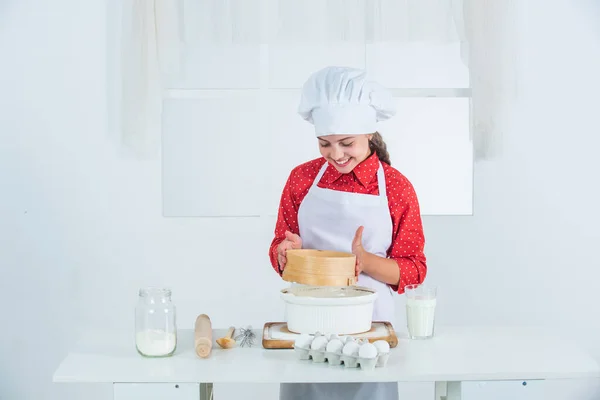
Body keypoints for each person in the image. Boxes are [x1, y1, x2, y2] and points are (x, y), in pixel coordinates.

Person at [268, 66, 427, 400]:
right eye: (325, 144)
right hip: (308, 320)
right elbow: (280, 252)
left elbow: (413, 270)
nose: (335, 154)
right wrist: (286, 251)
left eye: (346, 143)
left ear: (369, 135)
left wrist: (365, 261)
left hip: (368, 328)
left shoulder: (397, 187)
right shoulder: (301, 178)